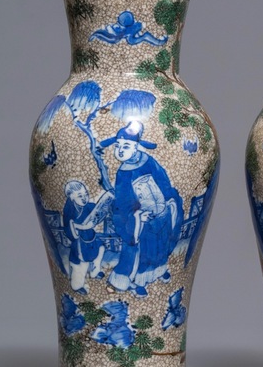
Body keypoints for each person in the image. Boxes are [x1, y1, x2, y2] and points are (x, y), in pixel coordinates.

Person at [100, 121, 182, 297]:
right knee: (144, 250)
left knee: (161, 245)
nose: (120, 150)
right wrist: (136, 216)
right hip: (143, 219)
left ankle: (160, 271)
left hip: (162, 212)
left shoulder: (149, 161)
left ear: (136, 146)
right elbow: (123, 202)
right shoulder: (123, 173)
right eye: (117, 146)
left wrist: (169, 200)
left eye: (126, 146)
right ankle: (139, 281)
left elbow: (163, 180)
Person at [62, 179, 106, 294]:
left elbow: (97, 214)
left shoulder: (89, 206)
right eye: (80, 196)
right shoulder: (70, 212)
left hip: (91, 237)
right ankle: (77, 285)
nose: (84, 198)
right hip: (80, 242)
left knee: (100, 249)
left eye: (86, 194)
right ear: (71, 197)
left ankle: (95, 272)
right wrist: (82, 227)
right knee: (81, 262)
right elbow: (71, 229)